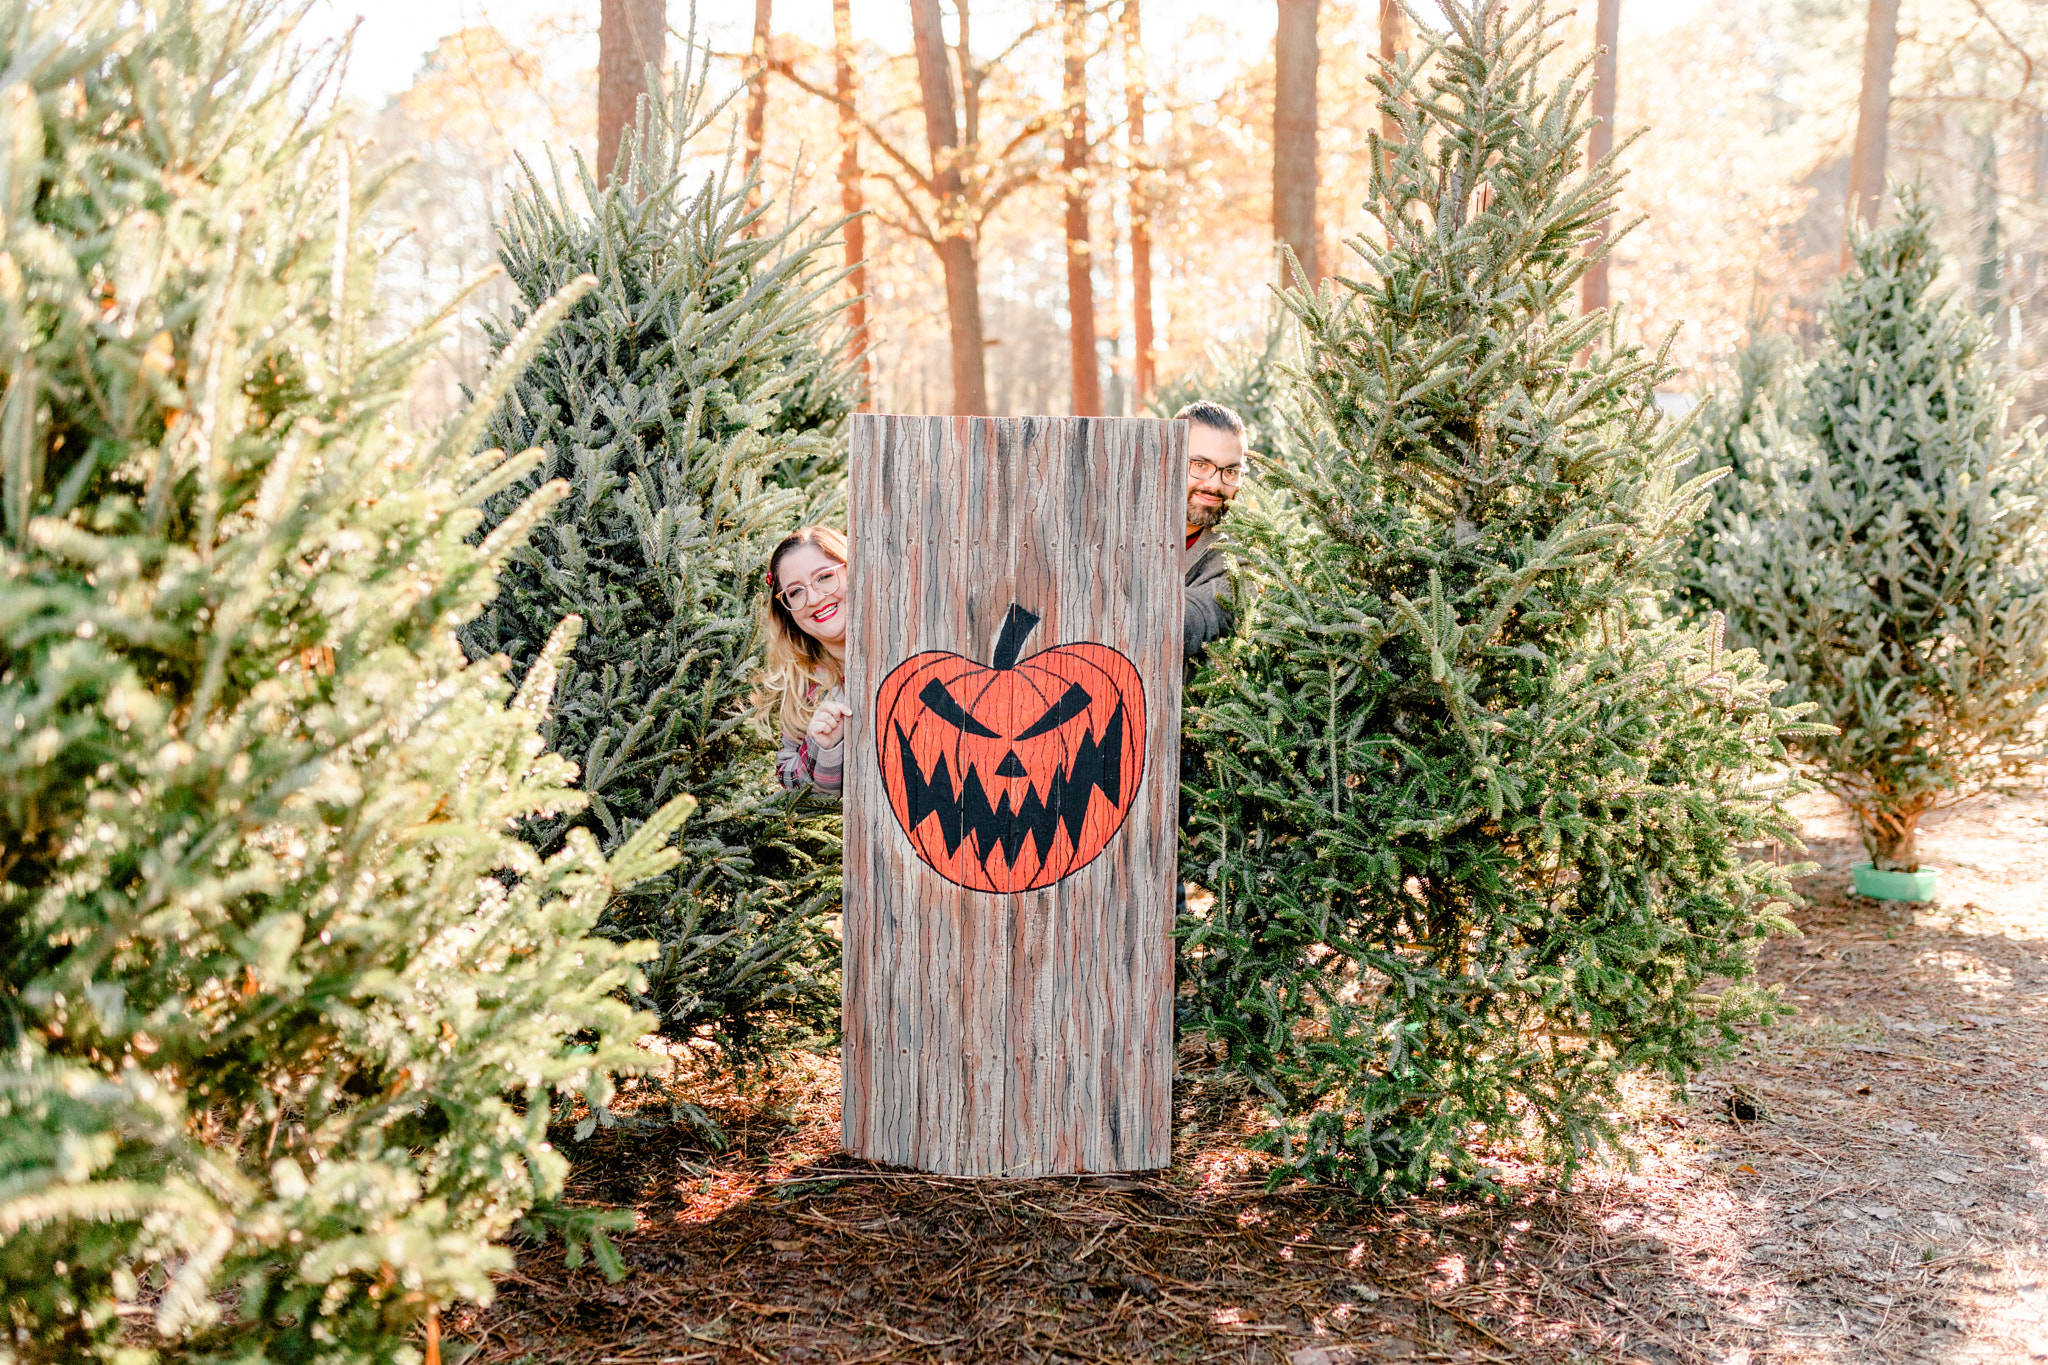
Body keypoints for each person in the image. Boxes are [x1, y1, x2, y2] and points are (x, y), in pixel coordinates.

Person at [760, 525, 852, 796]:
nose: (813, 599)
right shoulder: (807, 689)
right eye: (796, 592)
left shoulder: (911, 642)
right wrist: (823, 745)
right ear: (787, 612)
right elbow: (790, 784)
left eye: (824, 577)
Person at [1177, 399, 1247, 668]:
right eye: (1200, 465)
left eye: (1230, 471)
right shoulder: (1111, 532)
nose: (1215, 485)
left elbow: (1192, 622)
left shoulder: (1233, 563)